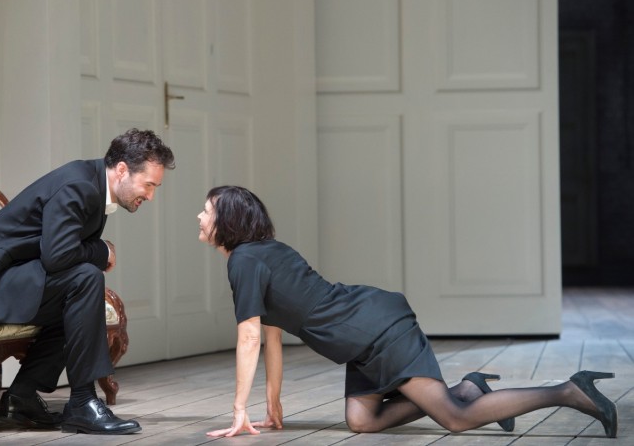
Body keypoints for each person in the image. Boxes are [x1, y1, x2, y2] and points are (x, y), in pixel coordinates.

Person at [196, 185, 618, 439]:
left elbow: (249, 336)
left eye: (208, 210)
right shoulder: (263, 253)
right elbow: (270, 336)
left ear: (227, 221)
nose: (200, 216)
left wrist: (239, 410)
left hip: (377, 330)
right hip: (360, 339)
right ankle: (469, 389)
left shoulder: (244, 261)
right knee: (362, 421)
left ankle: (568, 391)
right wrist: (273, 406)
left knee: (454, 419)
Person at [0, 128, 175, 435]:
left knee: (79, 292)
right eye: (148, 185)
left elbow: (61, 255)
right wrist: (102, 251)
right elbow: (58, 256)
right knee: (86, 279)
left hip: (3, 276)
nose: (150, 196)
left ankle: (22, 395)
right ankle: (83, 403)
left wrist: (96, 252)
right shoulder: (79, 185)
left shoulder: (92, 184)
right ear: (123, 170)